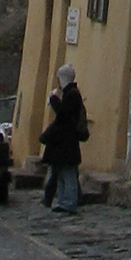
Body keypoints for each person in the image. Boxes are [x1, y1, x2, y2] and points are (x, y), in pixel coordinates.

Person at [39, 64, 87, 216]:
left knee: (68, 174)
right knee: (62, 173)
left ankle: (69, 202)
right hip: (64, 143)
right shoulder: (69, 94)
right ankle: (63, 201)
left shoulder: (72, 95)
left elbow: (64, 115)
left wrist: (53, 100)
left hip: (67, 143)